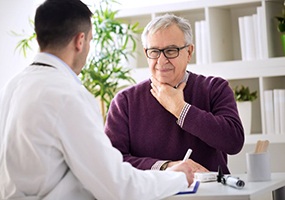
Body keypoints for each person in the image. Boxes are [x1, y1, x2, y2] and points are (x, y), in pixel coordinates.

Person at [0, 2, 195, 200]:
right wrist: (176, 177)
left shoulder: (11, 87)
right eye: (91, 40)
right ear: (80, 41)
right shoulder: (67, 95)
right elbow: (118, 187)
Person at [105, 14, 245, 174]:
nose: (162, 60)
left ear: (189, 52)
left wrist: (181, 109)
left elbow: (234, 142)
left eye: (171, 51)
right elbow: (113, 161)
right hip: (153, 196)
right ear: (146, 53)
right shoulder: (125, 101)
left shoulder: (214, 88)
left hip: (209, 194)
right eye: (154, 51)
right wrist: (166, 166)